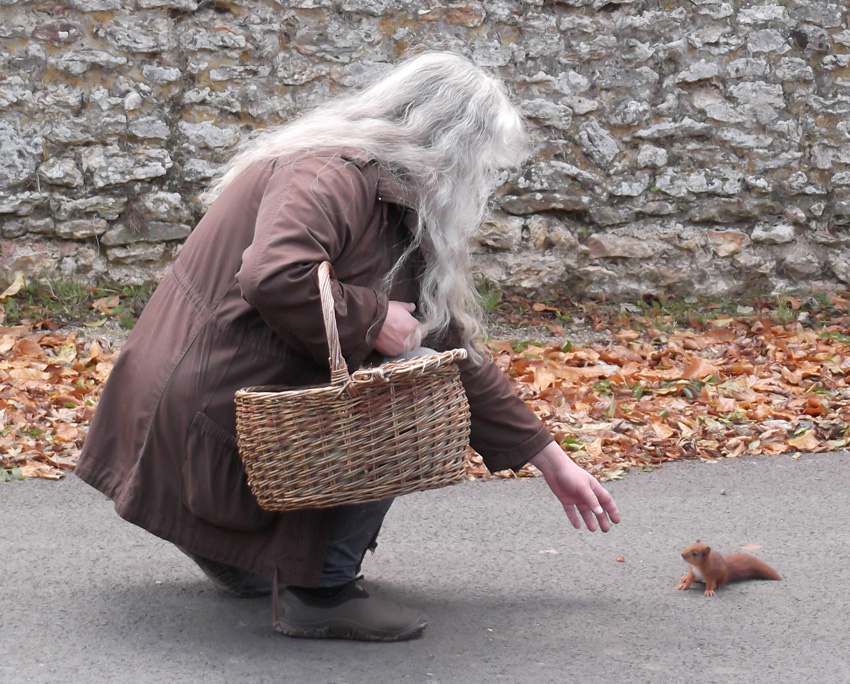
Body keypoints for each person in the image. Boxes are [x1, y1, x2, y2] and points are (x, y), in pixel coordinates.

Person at [75, 50, 620, 642]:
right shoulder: (329, 173)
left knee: (419, 354)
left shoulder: (386, 196)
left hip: (211, 399)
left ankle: (241, 549)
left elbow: (449, 344)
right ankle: (321, 591)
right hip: (203, 408)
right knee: (404, 382)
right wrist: (373, 318)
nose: (478, 181)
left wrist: (549, 458)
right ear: (448, 143)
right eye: (480, 162)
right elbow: (276, 274)